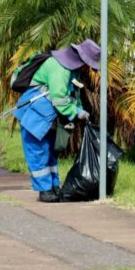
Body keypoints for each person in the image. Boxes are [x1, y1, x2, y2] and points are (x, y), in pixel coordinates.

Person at [13, 39, 101, 202]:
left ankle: (53, 186)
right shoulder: (59, 68)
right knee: (37, 152)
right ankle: (44, 190)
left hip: (46, 116)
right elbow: (59, 99)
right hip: (33, 116)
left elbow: (71, 94)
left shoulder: (71, 69)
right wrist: (76, 112)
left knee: (48, 151)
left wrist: (77, 111)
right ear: (81, 59)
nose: (88, 69)